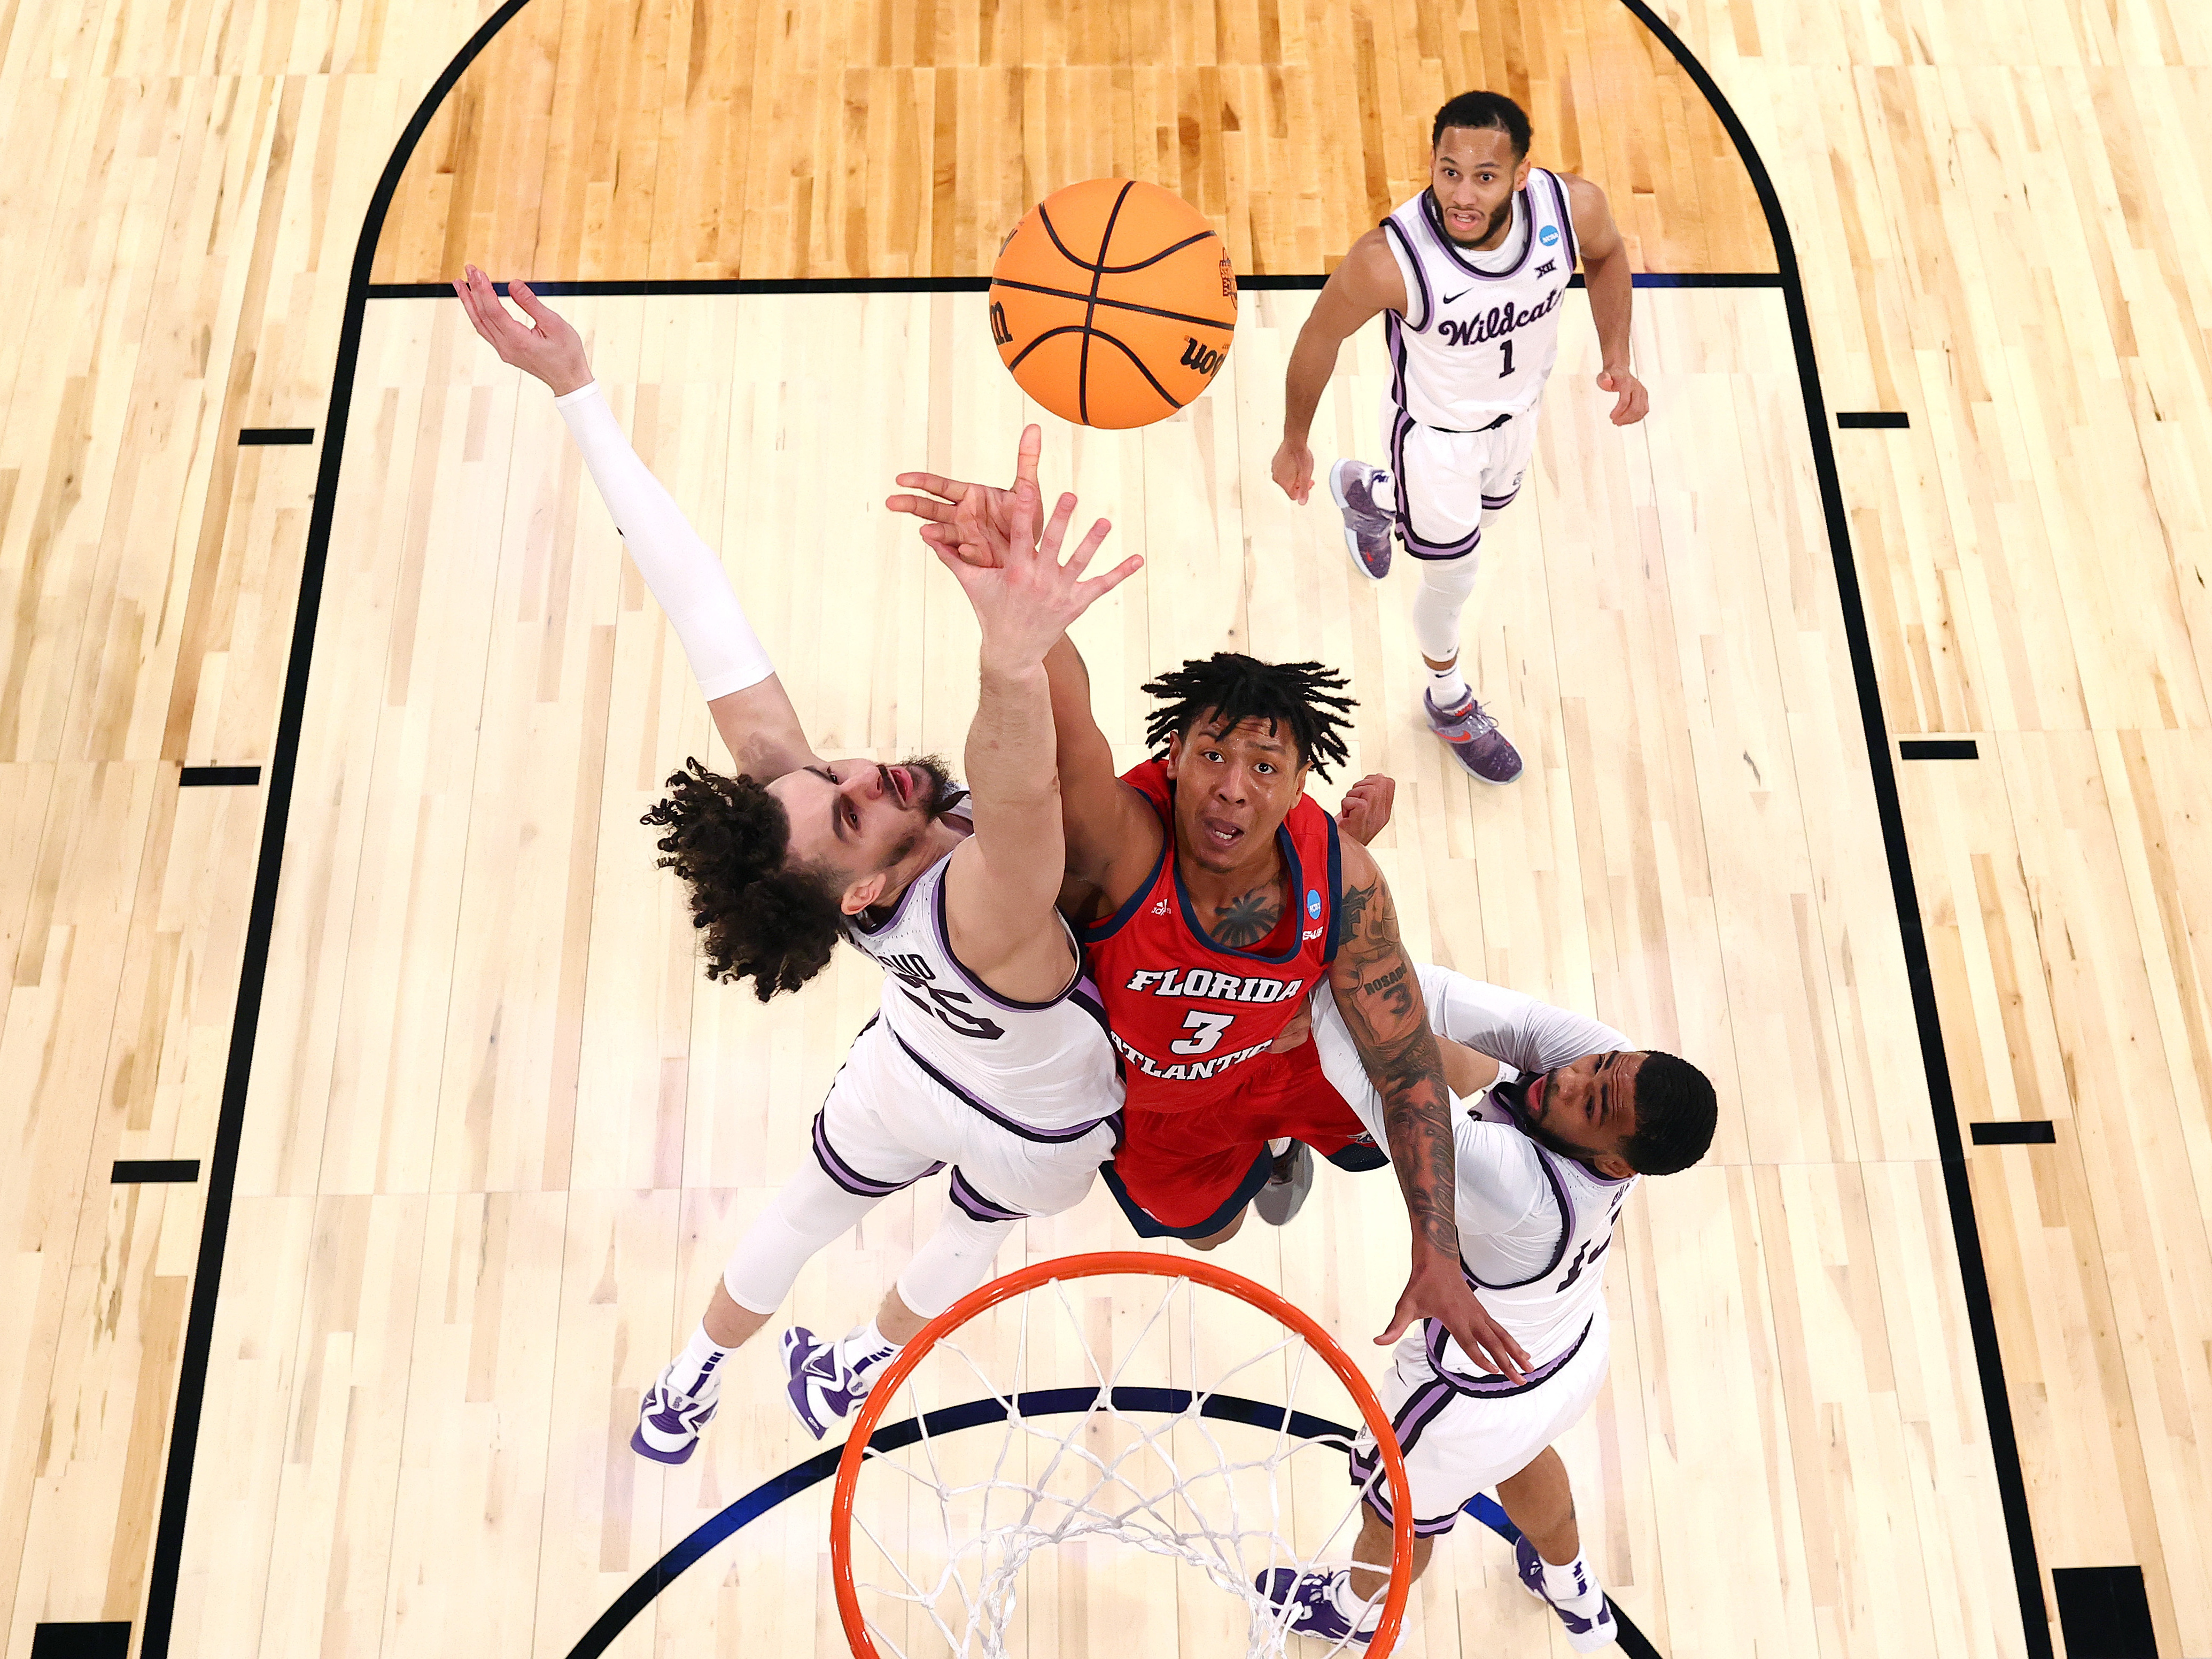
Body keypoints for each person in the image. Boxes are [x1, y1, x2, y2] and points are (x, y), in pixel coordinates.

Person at [453, 270, 1139, 1459]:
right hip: (1045, 1114)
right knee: (972, 1228)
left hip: (916, 1061)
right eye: (852, 812)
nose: (864, 775)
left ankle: (691, 1379)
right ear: (868, 888)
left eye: (835, 777)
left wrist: (579, 397)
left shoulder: (826, 866)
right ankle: (857, 1366)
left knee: (804, 1207)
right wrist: (1011, 654)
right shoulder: (979, 913)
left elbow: (695, 599)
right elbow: (1021, 790)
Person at [890, 460, 1532, 1383]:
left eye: (1263, 766)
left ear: (1299, 783)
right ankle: (1267, 1162)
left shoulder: (1341, 879)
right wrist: (1019, 614)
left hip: (1292, 1054)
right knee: (1219, 1232)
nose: (1231, 783)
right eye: (1210, 752)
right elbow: (1066, 729)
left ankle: (1328, 1146)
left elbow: (1405, 1073)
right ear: (1173, 754)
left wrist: (1434, 1246)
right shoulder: (1123, 839)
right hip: (1162, 1106)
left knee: (1454, 1071)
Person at [1254, 967, 1717, 1650]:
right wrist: (1348, 958)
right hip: (1567, 1351)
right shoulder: (1616, 1078)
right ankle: (1569, 1585)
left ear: (1619, 1163)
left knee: (1394, 1515)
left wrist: (1303, 989)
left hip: (1464, 1395)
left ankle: (1355, 1611)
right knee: (1526, 1452)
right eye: (1596, 1067)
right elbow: (1437, 997)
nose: (1567, 1080)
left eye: (1589, 1105)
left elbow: (1387, 1089)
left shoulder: (1517, 1190)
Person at [1270, 89, 1649, 786]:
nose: (1462, 194)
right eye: (1448, 172)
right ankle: (1448, 702)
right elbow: (1318, 336)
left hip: (1516, 421)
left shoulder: (1571, 210)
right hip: (1436, 442)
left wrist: (1616, 356)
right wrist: (1293, 438)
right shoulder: (1389, 259)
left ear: (1520, 175)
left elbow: (1607, 254)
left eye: (1483, 176)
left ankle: (1369, 496)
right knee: (1455, 575)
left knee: (1487, 518)